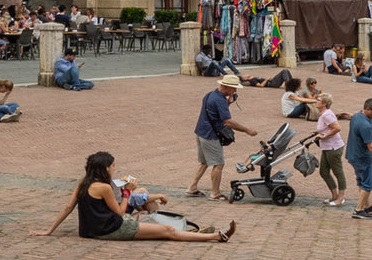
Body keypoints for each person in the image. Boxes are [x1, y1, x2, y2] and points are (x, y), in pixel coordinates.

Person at [44, 153, 233, 243]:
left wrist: (48, 230)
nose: (114, 169)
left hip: (89, 230)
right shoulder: (104, 187)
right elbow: (119, 212)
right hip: (111, 228)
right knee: (166, 231)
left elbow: (68, 208)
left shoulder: (83, 182)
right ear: (105, 168)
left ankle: (194, 232)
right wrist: (127, 191)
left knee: (153, 220)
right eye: (113, 166)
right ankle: (216, 236)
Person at [188, 75, 255, 200]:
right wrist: (247, 130)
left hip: (201, 131)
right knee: (218, 164)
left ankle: (192, 187)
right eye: (234, 88)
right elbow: (228, 121)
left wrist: (228, 103)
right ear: (226, 87)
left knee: (204, 162)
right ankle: (215, 193)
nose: (235, 91)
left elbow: (214, 112)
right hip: (210, 135)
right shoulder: (219, 100)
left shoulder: (210, 95)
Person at [344, 98, 372, 218]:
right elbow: (371, 148)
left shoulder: (357, 116)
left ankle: (367, 206)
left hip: (353, 155)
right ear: (367, 109)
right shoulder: (366, 125)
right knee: (368, 184)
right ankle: (359, 210)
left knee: (361, 181)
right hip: (363, 158)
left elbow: (362, 135)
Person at [311, 95, 349, 206]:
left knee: (338, 172)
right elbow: (327, 127)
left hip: (333, 147)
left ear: (324, 104)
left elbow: (337, 128)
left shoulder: (326, 115)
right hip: (326, 147)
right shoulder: (323, 113)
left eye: (318, 100)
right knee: (323, 171)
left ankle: (340, 198)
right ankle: (334, 195)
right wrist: (318, 132)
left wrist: (324, 135)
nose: (316, 101)